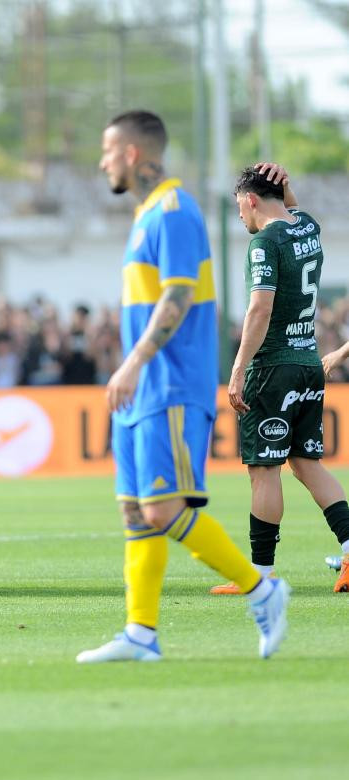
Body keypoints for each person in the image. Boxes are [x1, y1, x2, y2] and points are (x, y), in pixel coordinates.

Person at [76, 111, 289, 663]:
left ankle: (263, 589)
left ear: (130, 153)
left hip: (169, 383)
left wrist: (132, 363)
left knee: (164, 510)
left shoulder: (174, 210)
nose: (101, 162)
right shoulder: (147, 215)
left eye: (106, 151)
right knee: (136, 512)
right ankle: (141, 635)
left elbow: (178, 299)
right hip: (142, 390)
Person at [213, 163, 349, 595]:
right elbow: (291, 209)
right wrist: (286, 187)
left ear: (250, 199)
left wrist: (237, 370)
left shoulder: (264, 243)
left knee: (263, 470)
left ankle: (261, 577)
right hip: (309, 362)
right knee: (308, 464)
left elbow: (259, 309)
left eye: (239, 207)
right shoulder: (308, 227)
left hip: (272, 368)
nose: (240, 217)